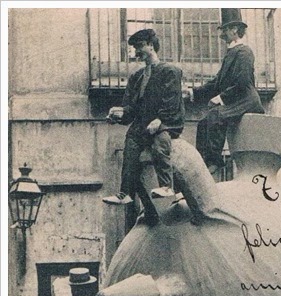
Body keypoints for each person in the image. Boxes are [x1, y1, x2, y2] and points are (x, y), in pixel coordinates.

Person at [102, 29, 185, 205]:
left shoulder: (170, 71)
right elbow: (130, 108)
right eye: (135, 48)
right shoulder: (136, 77)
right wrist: (119, 113)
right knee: (131, 145)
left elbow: (172, 100)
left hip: (166, 122)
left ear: (151, 45)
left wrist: (160, 120)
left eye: (139, 46)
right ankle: (126, 193)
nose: (137, 52)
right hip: (142, 124)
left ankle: (167, 187)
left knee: (160, 144)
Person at [185, 8, 265, 176]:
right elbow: (217, 83)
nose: (222, 34)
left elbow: (242, 83)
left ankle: (215, 162)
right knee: (203, 123)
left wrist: (221, 98)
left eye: (225, 29)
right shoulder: (231, 54)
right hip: (237, 99)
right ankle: (204, 164)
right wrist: (194, 92)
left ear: (235, 30)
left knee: (216, 116)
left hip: (247, 100)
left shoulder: (244, 52)